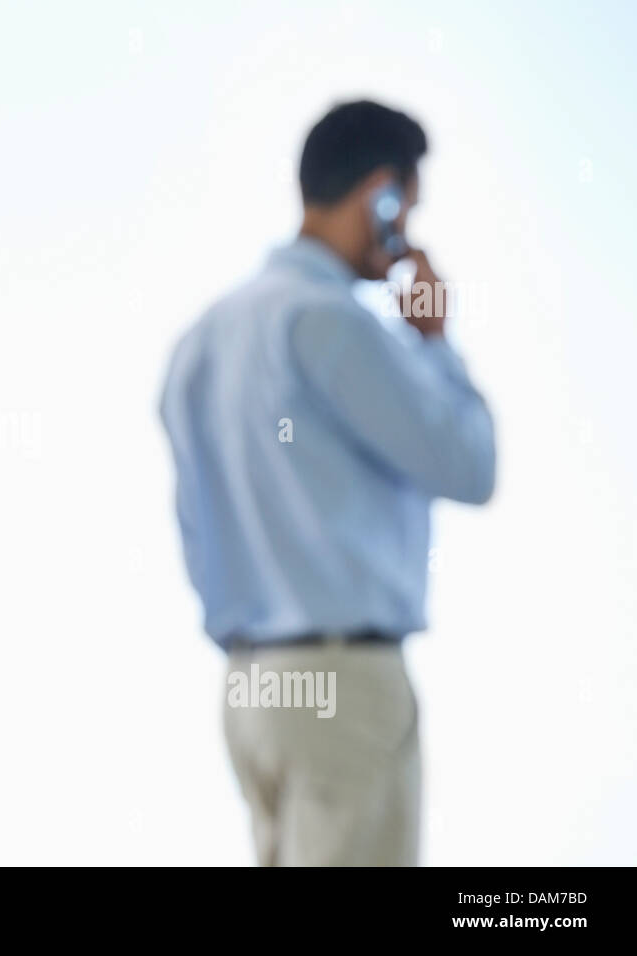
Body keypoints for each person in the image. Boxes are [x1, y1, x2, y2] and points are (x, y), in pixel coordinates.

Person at [159, 100, 495, 866]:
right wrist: (436, 342)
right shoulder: (331, 323)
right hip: (340, 684)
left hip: (251, 689)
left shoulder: (202, 340)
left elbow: (193, 528)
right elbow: (470, 466)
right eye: (406, 208)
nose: (407, 230)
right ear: (382, 194)